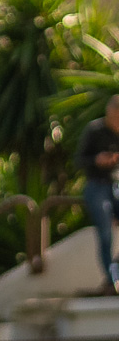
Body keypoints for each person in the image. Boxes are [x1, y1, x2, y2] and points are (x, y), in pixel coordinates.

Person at [76, 96, 119, 292]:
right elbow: (78, 160)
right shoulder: (94, 130)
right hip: (97, 185)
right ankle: (111, 280)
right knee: (105, 232)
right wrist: (96, 160)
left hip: (116, 185)